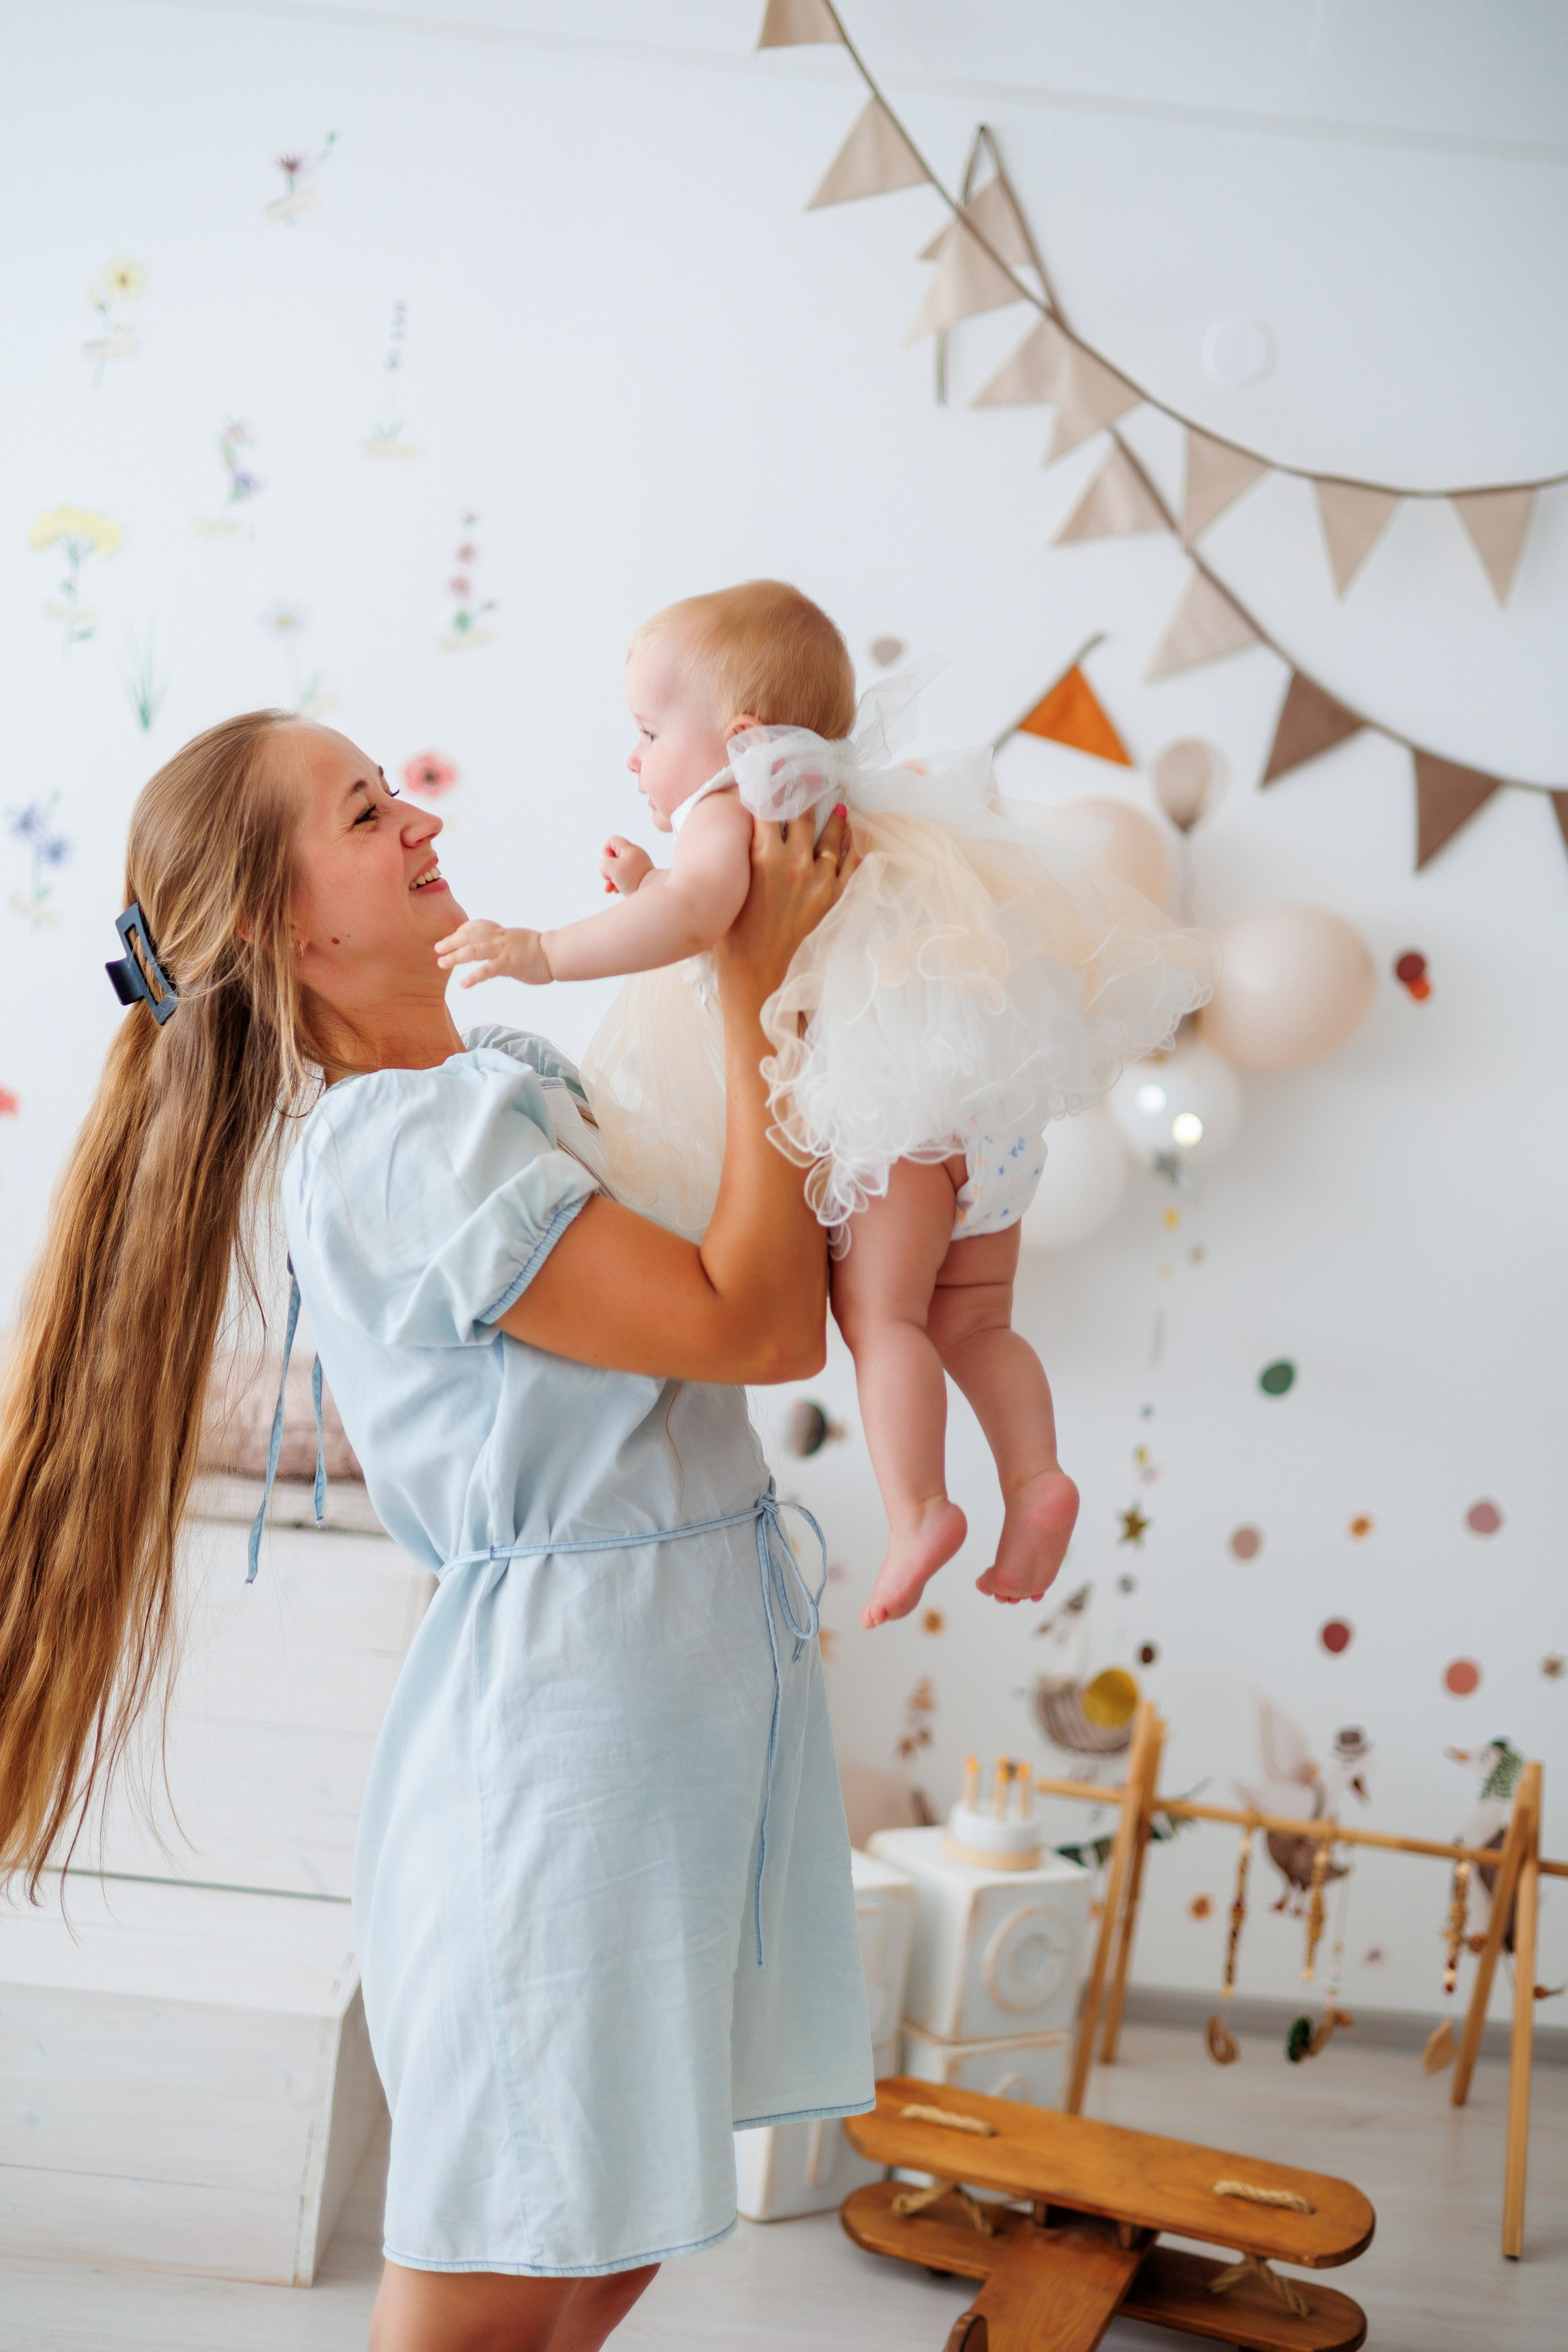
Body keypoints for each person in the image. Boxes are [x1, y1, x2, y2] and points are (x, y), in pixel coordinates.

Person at [0, 710, 869, 2352]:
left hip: (671, 1694)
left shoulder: (492, 1092)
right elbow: (755, 1326)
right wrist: (755, 983)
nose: (418, 822)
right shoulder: (407, 1148)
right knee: (502, 2269)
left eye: (395, 792)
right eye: (362, 812)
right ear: (286, 927)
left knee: (608, 2240)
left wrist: (734, 965)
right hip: (568, 1734)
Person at [434, 582, 1214, 1633]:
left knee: (887, 1320)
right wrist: (651, 881)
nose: (634, 757)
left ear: (739, 738)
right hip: (983, 1116)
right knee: (979, 1320)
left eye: (650, 732)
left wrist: (543, 951)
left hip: (896, 1125)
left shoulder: (732, 805)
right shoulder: (833, 805)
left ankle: (920, 1508)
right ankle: (1036, 1477)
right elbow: (729, 912)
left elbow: (702, 912)